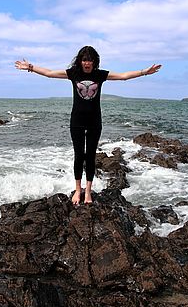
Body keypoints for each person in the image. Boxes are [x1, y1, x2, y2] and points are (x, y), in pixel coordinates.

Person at [15, 46, 161, 205]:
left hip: (94, 121)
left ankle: (88, 191)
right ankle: (78, 190)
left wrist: (145, 72)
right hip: (76, 121)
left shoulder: (100, 75)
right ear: (80, 61)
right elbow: (50, 74)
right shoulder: (73, 73)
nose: (87, 63)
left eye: (90, 60)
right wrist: (30, 67)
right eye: (84, 60)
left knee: (90, 156)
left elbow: (123, 76)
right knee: (79, 155)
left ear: (94, 61)